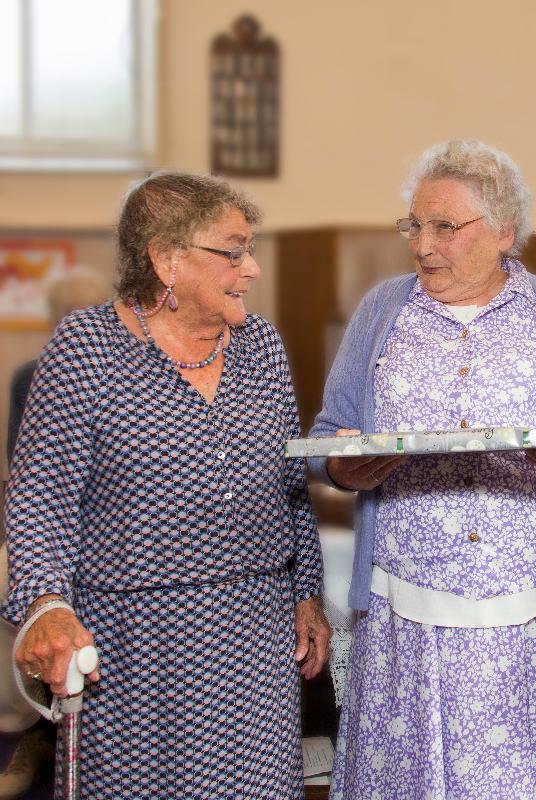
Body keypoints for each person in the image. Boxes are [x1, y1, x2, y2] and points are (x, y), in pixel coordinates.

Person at [310, 139, 536, 799]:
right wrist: (349, 467)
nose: (422, 244)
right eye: (414, 225)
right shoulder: (383, 311)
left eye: (444, 227)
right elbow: (324, 442)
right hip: (410, 614)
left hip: (530, 614)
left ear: (505, 232)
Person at [2, 171, 330, 799]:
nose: (253, 268)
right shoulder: (87, 349)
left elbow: (291, 487)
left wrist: (308, 596)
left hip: (253, 636)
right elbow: (40, 497)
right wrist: (46, 604)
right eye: (233, 251)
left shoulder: (260, 348)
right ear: (166, 258)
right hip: (135, 648)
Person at [0, 268, 109, 800]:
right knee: (17, 586)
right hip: (58, 524)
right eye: (70, 315)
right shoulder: (32, 375)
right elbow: (33, 480)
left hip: (114, 529)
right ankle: (28, 728)